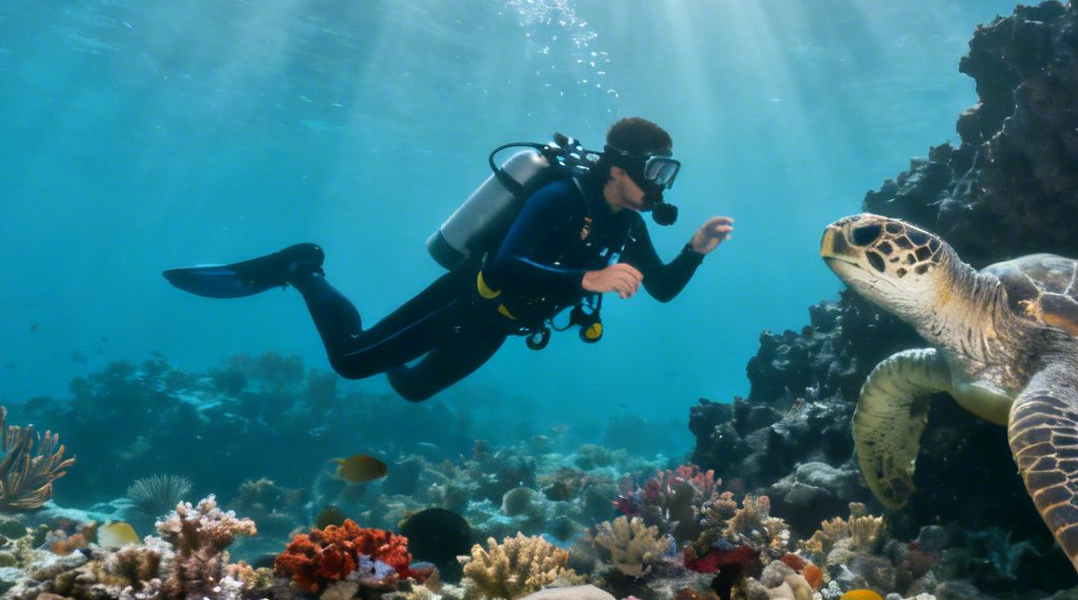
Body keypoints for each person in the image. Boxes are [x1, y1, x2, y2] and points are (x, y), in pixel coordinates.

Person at [165, 117, 733, 401]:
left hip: (504, 325)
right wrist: (588, 277)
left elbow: (659, 288)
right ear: (619, 169)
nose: (661, 183)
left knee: (411, 389)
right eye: (655, 171)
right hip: (468, 299)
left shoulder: (627, 223)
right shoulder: (560, 197)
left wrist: (694, 252)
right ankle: (303, 267)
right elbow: (508, 263)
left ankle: (374, 326)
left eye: (668, 172)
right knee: (352, 362)